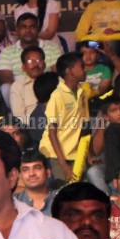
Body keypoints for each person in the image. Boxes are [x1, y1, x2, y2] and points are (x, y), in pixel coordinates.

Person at [39, 53, 91, 182]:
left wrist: (89, 154)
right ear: (70, 71)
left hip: (75, 153)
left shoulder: (82, 93)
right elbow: (52, 132)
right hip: (56, 155)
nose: (86, 70)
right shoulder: (57, 96)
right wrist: (63, 165)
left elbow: (84, 127)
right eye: (81, 66)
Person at [0, 13, 63, 87]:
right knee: (5, 87)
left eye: (32, 27)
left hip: (46, 88)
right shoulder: (6, 52)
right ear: (17, 29)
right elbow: (6, 78)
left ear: (38, 29)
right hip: (18, 91)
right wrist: (22, 91)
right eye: (24, 27)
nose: (28, 30)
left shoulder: (52, 47)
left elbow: (57, 74)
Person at [10, 45, 47, 123]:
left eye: (38, 60)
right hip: (31, 127)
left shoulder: (56, 81)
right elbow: (19, 116)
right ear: (23, 67)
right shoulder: (17, 86)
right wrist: (36, 125)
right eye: (30, 61)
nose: (35, 64)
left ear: (44, 64)